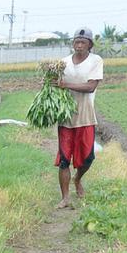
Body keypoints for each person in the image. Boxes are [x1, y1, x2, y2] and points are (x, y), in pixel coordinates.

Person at [55, 27, 104, 208]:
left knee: (87, 158)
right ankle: (65, 197)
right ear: (73, 43)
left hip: (85, 114)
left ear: (90, 44)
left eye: (83, 42)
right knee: (64, 159)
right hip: (66, 115)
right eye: (77, 42)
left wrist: (65, 84)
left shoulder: (95, 61)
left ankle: (78, 179)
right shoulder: (64, 62)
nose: (79, 45)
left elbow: (91, 87)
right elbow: (54, 83)